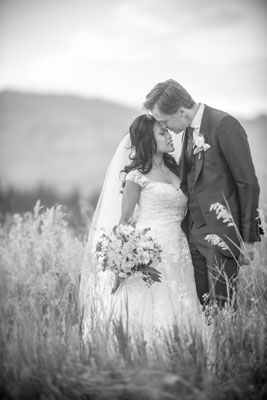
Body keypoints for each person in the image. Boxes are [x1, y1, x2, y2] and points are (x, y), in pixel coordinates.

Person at [79, 114, 201, 339]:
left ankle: (184, 349)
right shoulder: (136, 177)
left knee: (182, 299)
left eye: (167, 130)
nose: (169, 135)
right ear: (148, 140)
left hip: (179, 249)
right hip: (150, 252)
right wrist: (123, 260)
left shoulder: (178, 171)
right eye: (162, 132)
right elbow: (124, 221)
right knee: (151, 308)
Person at [143, 79, 262, 308]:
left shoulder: (224, 124)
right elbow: (189, 180)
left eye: (164, 121)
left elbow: (248, 183)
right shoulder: (188, 131)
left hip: (223, 236)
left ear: (180, 111)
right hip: (194, 237)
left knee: (224, 308)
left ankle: (228, 344)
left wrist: (249, 238)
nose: (165, 128)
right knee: (204, 309)